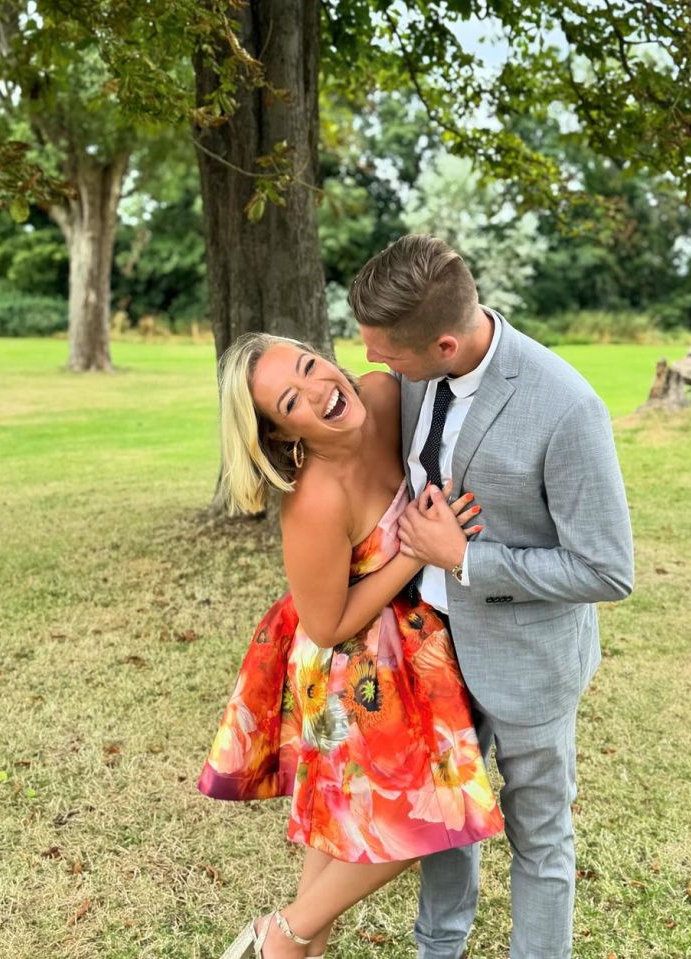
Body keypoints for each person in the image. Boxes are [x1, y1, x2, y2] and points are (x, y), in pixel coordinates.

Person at [348, 234, 635, 959]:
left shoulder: (567, 407)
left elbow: (606, 570)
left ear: (445, 343)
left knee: (539, 833)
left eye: (389, 355)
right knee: (443, 817)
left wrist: (468, 558)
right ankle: (437, 948)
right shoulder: (413, 373)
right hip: (429, 650)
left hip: (529, 661)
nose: (376, 367)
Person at [196, 333, 504, 959]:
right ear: (284, 435)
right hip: (347, 670)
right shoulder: (313, 500)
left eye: (311, 368)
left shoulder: (385, 396)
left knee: (335, 830)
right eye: (292, 401)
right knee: (428, 816)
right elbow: (326, 625)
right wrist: (414, 551)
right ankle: (278, 935)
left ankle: (292, 943)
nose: (318, 391)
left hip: (415, 648)